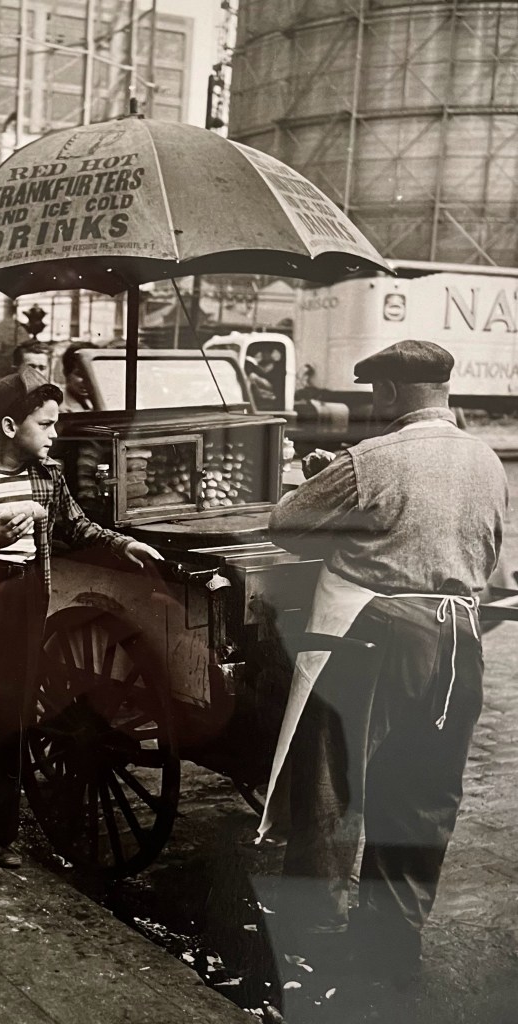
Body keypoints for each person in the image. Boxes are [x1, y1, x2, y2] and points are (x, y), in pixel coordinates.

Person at [263, 339, 508, 989]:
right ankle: (390, 947)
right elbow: (490, 566)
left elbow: (283, 521)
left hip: (373, 639)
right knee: (422, 798)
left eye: (375, 394)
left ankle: (307, 948)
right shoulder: (485, 459)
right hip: (457, 641)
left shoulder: (372, 457)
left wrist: (331, 478)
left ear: (391, 395)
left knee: (328, 790)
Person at [0, 367, 162, 869]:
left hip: (24, 609)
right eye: (45, 424)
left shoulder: (49, 477)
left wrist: (122, 542)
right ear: (8, 427)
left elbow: (77, 525)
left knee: (9, 727)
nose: (54, 433)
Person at [59, 342, 95, 411]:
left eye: (92, 374)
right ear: (66, 373)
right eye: (80, 374)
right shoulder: (58, 406)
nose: (87, 380)